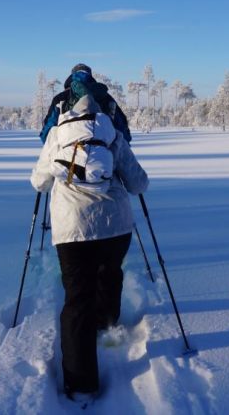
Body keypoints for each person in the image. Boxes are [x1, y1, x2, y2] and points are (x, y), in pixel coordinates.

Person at [30, 75, 148, 403]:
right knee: (109, 271)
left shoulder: (57, 133)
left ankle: (82, 383)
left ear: (66, 105)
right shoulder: (110, 129)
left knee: (77, 298)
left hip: (72, 230)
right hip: (116, 226)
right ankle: (106, 324)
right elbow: (139, 184)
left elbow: (38, 182)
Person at [39, 63, 132, 144]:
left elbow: (47, 132)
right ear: (90, 76)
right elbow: (124, 131)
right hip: (104, 151)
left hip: (68, 152)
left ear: (72, 76)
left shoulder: (60, 98)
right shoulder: (106, 97)